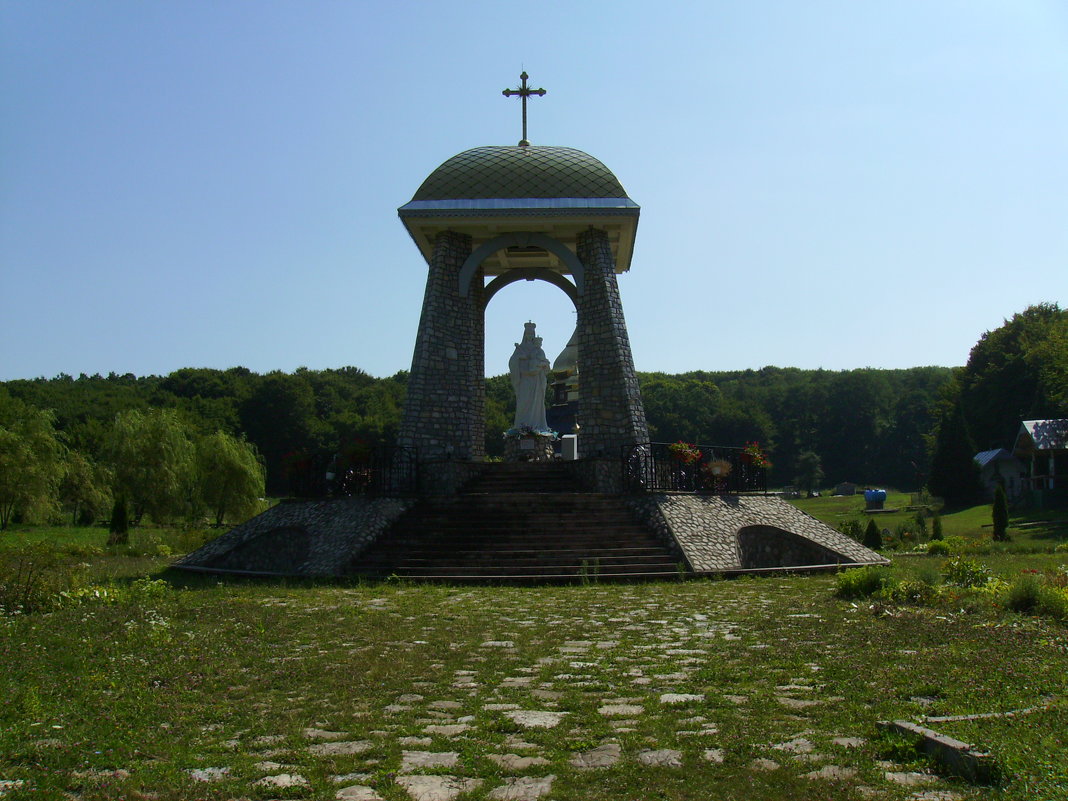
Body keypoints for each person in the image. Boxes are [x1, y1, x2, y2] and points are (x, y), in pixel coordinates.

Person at [508, 322, 551, 432]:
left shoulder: (538, 350)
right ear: (524, 334)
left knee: (536, 404)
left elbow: (546, 366)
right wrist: (519, 358)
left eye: (532, 334)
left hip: (536, 380)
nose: (530, 336)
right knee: (523, 403)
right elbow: (512, 362)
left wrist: (541, 366)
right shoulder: (520, 349)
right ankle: (521, 427)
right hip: (524, 380)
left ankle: (536, 427)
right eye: (528, 333)